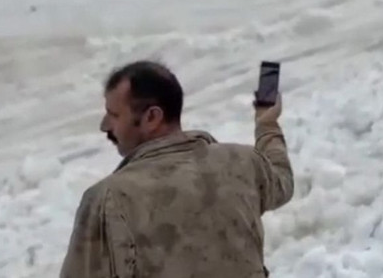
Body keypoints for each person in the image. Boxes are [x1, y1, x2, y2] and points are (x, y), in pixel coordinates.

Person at [59, 60, 294, 278]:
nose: (105, 126)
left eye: (114, 115)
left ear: (152, 117)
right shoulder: (242, 163)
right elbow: (282, 178)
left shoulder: (108, 200)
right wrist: (267, 123)